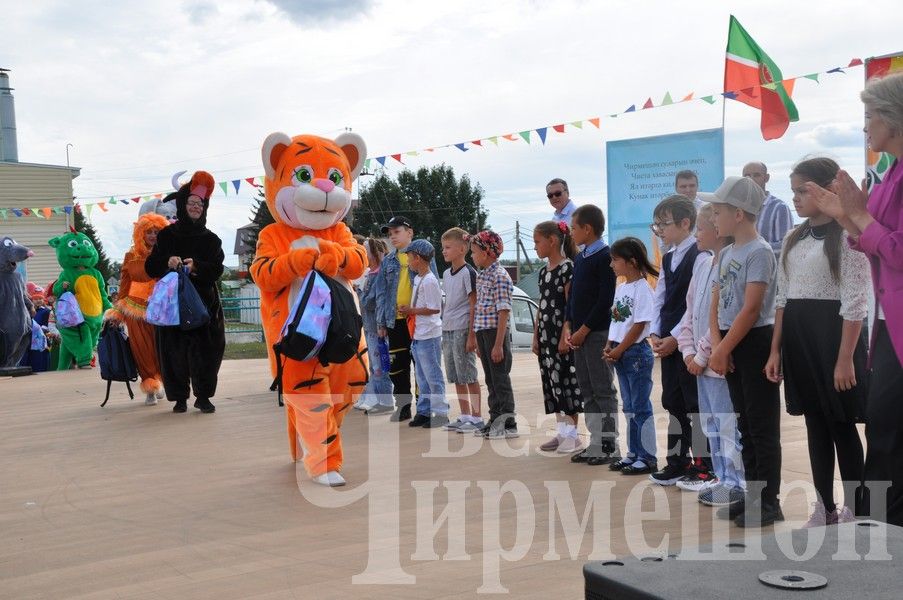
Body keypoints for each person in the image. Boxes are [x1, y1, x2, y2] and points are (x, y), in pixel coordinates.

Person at [807, 72, 903, 526]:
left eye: (869, 116)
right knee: (883, 433)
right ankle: (878, 536)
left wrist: (859, 215)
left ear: (893, 117)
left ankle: (883, 539)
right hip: (887, 329)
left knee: (887, 437)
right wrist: (845, 219)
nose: (865, 127)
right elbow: (870, 242)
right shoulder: (888, 174)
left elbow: (898, 250)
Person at [764, 157, 870, 528]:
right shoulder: (794, 237)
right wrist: (776, 349)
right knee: (815, 425)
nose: (795, 198)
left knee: (841, 425)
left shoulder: (848, 236)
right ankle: (823, 506)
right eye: (792, 191)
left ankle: (857, 509)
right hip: (798, 341)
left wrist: (845, 359)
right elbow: (782, 298)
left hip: (834, 340)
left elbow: (855, 300)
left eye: (802, 190)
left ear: (828, 189)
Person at [709, 176, 783, 528]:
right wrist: (718, 342)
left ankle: (769, 501)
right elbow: (716, 300)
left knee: (761, 425)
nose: (713, 218)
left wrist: (725, 347)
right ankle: (753, 495)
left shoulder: (760, 252)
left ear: (738, 214)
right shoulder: (725, 252)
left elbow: (752, 308)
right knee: (744, 423)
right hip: (731, 340)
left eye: (718, 211)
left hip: (752, 340)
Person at [677, 200, 746, 508]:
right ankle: (721, 477)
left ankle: (737, 480)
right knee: (710, 423)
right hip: (699, 362)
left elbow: (721, 317)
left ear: (718, 231)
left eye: (701, 229)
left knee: (727, 421)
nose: (697, 235)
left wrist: (703, 355)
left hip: (716, 361)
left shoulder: (728, 264)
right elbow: (690, 313)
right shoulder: (702, 264)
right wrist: (687, 350)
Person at [145, 171, 225, 414]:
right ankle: (179, 398)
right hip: (173, 307)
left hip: (204, 306)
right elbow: (151, 267)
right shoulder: (167, 235)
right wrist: (167, 262)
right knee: (174, 353)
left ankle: (203, 396)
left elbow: (217, 269)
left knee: (207, 353)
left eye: (200, 204)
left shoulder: (212, 240)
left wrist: (197, 267)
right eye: (191, 203)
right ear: (181, 205)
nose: (195, 207)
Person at [648, 195, 713, 488]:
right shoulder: (670, 255)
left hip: (688, 341)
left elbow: (693, 305)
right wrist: (654, 332)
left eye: (665, 224)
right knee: (672, 400)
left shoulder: (699, 255)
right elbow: (660, 295)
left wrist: (675, 337)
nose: (660, 230)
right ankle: (677, 461)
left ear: (686, 223)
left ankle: (703, 465)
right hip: (668, 340)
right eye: (658, 225)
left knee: (694, 403)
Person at [565, 205, 620, 466]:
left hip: (596, 333)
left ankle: (609, 445)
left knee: (602, 389)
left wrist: (584, 329)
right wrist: (569, 325)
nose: (572, 233)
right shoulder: (581, 257)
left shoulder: (604, 257)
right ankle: (595, 442)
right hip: (578, 334)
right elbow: (573, 295)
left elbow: (604, 300)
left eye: (574, 228)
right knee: (587, 389)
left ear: (587, 229)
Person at [604, 237, 658, 475]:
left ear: (632, 261)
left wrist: (620, 348)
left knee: (640, 407)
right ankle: (633, 453)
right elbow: (616, 320)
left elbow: (638, 326)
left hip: (635, 353)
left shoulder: (643, 288)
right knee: (629, 407)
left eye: (615, 260)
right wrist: (609, 344)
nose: (612, 265)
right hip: (620, 351)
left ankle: (648, 457)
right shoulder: (622, 287)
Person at [106, 213, 169, 405]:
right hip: (134, 309)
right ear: (141, 233)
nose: (152, 235)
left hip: (160, 309)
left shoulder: (165, 254)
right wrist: (118, 310)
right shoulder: (131, 256)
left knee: (161, 349)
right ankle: (150, 386)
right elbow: (125, 282)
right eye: (149, 232)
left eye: (156, 232)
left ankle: (160, 380)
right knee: (141, 350)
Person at [532, 221, 582, 454]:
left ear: (552, 241)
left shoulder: (567, 268)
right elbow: (541, 307)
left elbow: (572, 305)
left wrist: (566, 335)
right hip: (545, 336)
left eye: (537, 242)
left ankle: (572, 436)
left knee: (566, 382)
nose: (535, 247)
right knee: (553, 384)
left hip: (561, 337)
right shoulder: (543, 272)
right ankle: (562, 433)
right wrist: (535, 337)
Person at [469, 230, 517, 438]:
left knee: (500, 379)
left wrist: (498, 344)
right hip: (483, 332)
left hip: (495, 333)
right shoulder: (482, 275)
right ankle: (495, 417)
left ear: (487, 252)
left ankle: (508, 423)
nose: (472, 255)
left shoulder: (500, 276)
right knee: (490, 379)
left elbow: (503, 311)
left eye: (474, 251)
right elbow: (480, 307)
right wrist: (478, 341)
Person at [400, 239, 448, 428]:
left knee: (433, 376)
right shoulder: (419, 278)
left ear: (418, 258)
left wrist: (411, 311)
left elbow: (435, 308)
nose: (409, 262)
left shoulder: (429, 280)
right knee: (421, 377)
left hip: (429, 334)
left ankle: (441, 413)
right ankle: (424, 411)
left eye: (410, 257)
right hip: (419, 334)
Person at [439, 227, 483, 433]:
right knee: (456, 375)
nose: (444, 251)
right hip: (448, 328)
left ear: (462, 248)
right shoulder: (446, 273)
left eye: (448, 247)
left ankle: (476, 417)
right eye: (443, 247)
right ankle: (464, 414)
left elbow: (473, 303)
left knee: (468, 373)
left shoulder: (469, 272)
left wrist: (472, 334)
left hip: (463, 328)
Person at [376, 216, 417, 422]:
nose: (392, 237)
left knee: (421, 364)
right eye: (390, 234)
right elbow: (382, 293)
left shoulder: (422, 256)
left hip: (418, 321)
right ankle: (403, 406)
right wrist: (382, 322)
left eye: (397, 232)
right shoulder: (388, 261)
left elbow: (432, 285)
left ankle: (425, 407)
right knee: (397, 365)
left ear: (409, 232)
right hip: (395, 321)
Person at [356, 237, 394, 415]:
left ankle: (385, 401)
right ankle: (380, 400)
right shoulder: (372, 273)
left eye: (366, 252)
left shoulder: (375, 274)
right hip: (370, 326)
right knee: (374, 366)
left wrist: (359, 290)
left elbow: (369, 302)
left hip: (375, 326)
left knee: (379, 366)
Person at [744, 161, 794, 259]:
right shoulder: (740, 208)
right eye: (747, 176)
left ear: (766, 178)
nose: (751, 180)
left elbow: (786, 246)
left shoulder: (779, 208)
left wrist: (752, 251)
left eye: (756, 175)